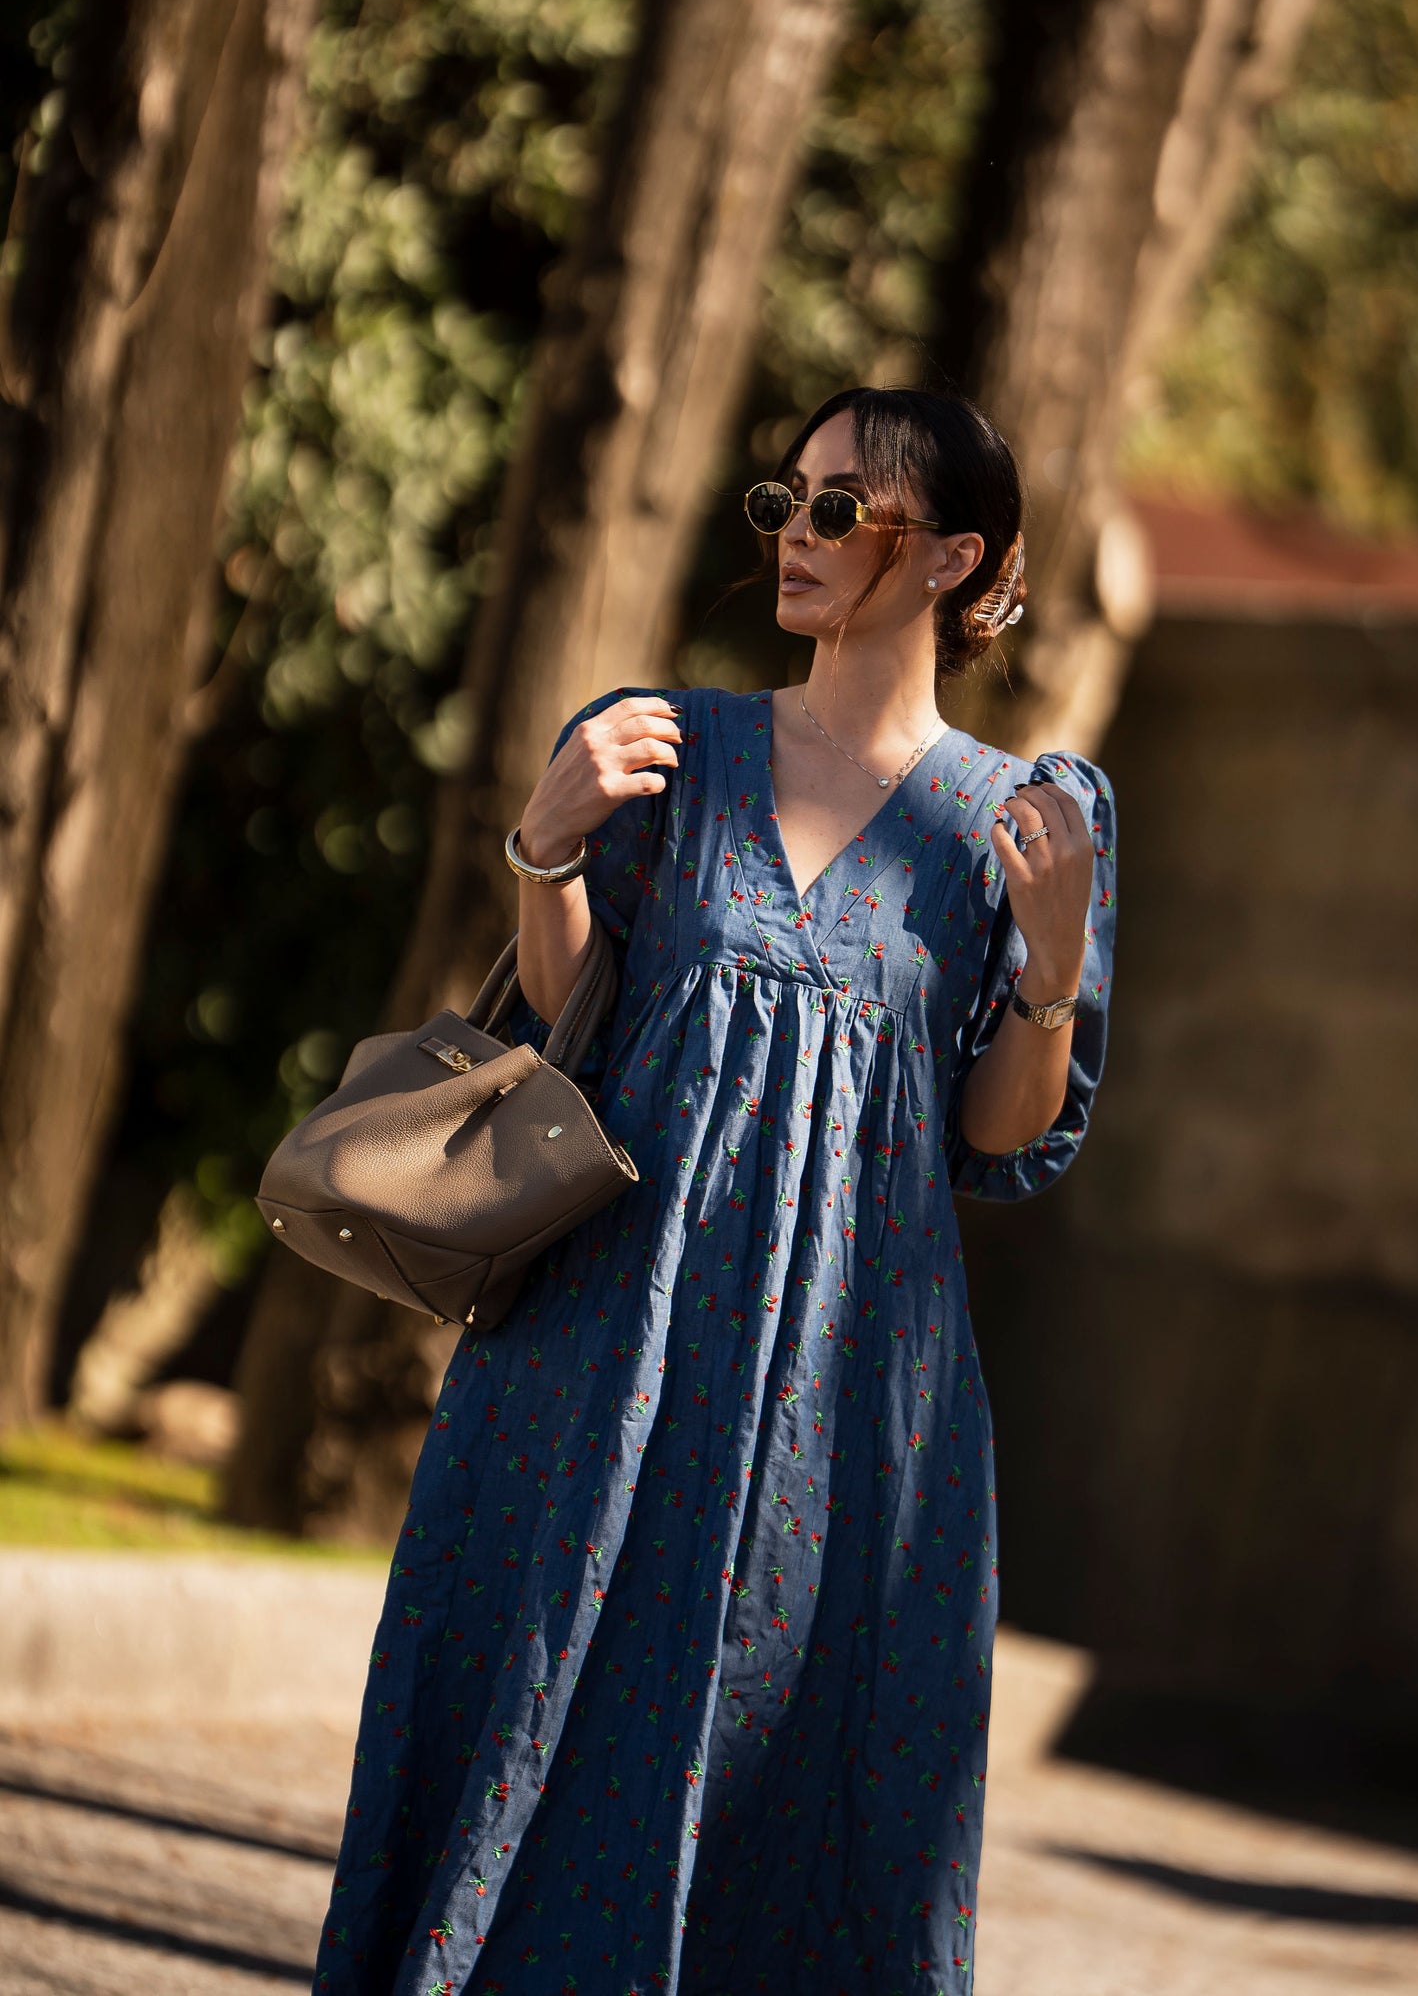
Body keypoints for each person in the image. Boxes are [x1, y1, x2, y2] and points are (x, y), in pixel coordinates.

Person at [315, 385, 1117, 1996]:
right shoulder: (666, 744)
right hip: (601, 1341)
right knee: (529, 1717)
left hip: (850, 1397)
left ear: (956, 557)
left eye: (842, 509)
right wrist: (545, 848)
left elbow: (1000, 1142)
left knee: (809, 1799)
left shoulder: (1026, 822)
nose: (796, 537)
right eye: (788, 502)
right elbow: (566, 1020)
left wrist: (1050, 961)